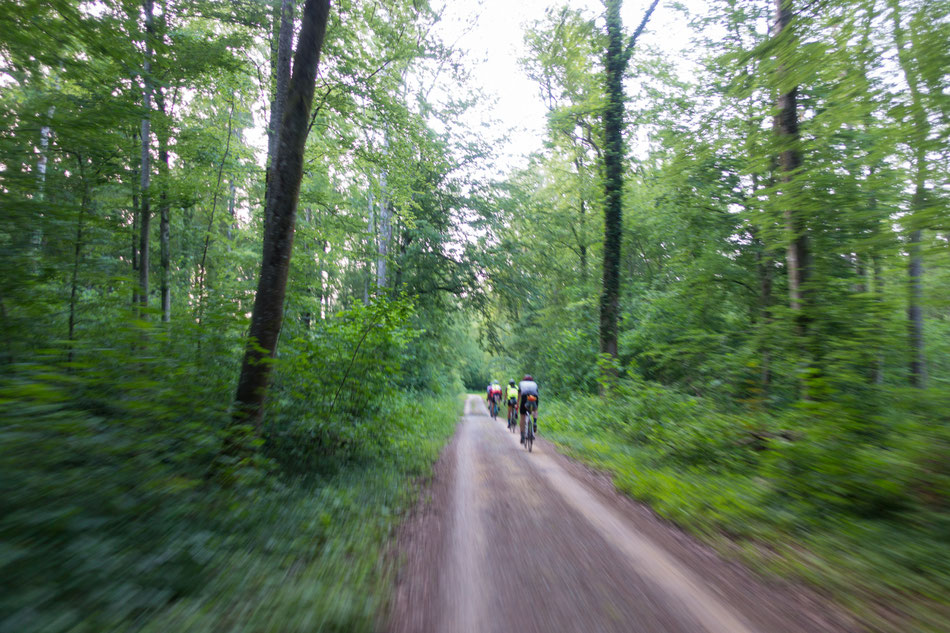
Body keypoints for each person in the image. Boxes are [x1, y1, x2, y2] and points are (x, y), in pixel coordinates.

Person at [518, 374, 539, 444]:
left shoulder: (521, 383)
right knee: (535, 410)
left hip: (525, 397)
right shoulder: (534, 383)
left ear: (524, 379)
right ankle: (535, 422)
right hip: (534, 397)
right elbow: (537, 393)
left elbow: (519, 394)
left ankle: (522, 436)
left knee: (522, 416)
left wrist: (517, 404)